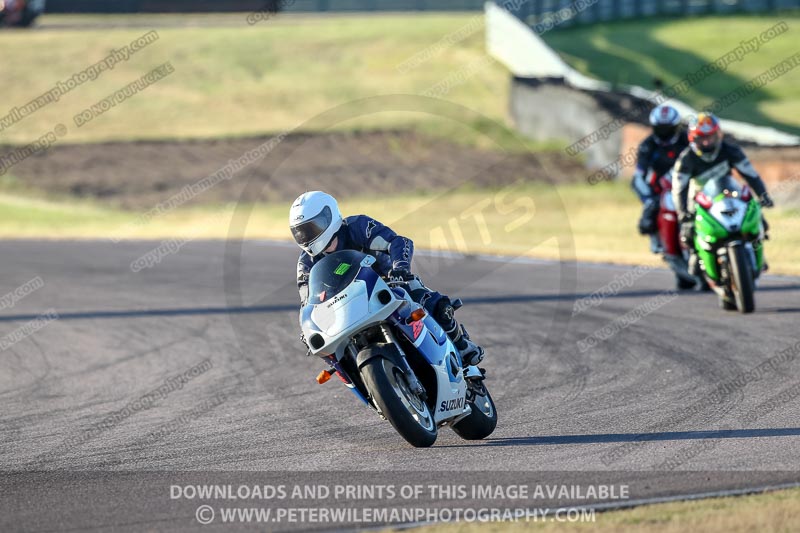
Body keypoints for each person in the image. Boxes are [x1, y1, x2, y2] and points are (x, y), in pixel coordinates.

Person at [289, 191, 485, 367]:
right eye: (301, 232)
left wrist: (400, 268)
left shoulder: (358, 227)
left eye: (311, 228)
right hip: (346, 306)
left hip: (390, 283)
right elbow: (307, 302)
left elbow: (399, 242)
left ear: (328, 217)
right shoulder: (306, 263)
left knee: (433, 304)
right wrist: (308, 327)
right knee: (334, 354)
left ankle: (461, 345)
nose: (306, 237)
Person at [671, 112, 774, 276]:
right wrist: (683, 212)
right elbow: (678, 189)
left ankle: (757, 255)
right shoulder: (686, 159)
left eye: (710, 137)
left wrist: (763, 195)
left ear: (718, 135)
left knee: (757, 218)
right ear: (693, 139)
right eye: (701, 138)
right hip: (699, 199)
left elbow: (751, 174)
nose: (707, 142)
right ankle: (696, 255)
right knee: (688, 230)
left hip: (728, 194)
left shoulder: (730, 150)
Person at [631, 104, 690, 253]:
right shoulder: (647, 145)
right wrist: (648, 199)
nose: (664, 133)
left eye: (668, 129)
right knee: (650, 207)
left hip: (688, 183)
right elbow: (639, 174)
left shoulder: (688, 140)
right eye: (660, 128)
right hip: (661, 186)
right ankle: (656, 236)